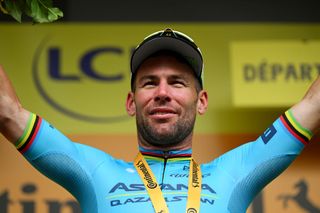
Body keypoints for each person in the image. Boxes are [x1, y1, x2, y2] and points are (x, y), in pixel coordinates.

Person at [0, 28, 319, 213]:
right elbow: (7, 111)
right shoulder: (93, 170)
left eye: (178, 82)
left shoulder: (236, 172)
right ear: (130, 102)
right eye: (149, 82)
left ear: (202, 101)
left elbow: (314, 103)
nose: (163, 92)